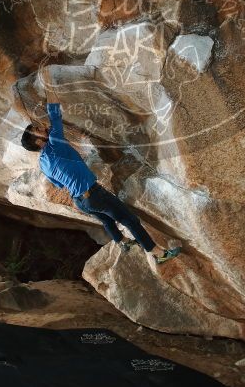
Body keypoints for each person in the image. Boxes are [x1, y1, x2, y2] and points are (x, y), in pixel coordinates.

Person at [20, 68, 181, 264]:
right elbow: (54, 111)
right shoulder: (54, 142)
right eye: (38, 130)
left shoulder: (43, 163)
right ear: (38, 142)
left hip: (80, 201)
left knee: (106, 219)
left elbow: (58, 184)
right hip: (93, 195)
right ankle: (158, 253)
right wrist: (48, 84)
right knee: (130, 220)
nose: (41, 127)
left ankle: (122, 242)